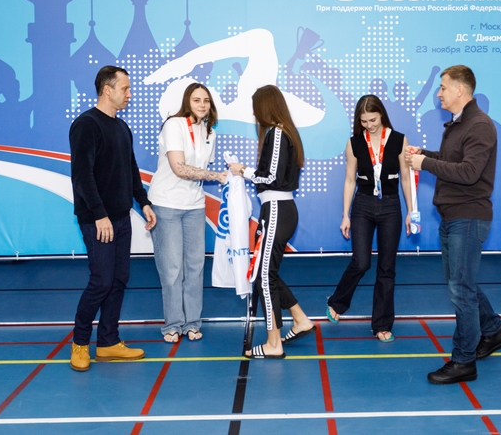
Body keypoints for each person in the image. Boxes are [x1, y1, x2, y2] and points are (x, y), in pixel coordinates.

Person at [405, 64, 501, 385]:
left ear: (460, 90)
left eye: (443, 87)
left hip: (468, 216)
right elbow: (452, 161)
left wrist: (425, 163)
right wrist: (425, 154)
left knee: (460, 289)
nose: (438, 94)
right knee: (462, 282)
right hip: (454, 215)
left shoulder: (479, 126)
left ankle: (464, 361)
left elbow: (468, 172)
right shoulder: (459, 124)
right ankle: (493, 331)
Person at [68, 65, 157, 372]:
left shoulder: (121, 128)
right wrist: (100, 215)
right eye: (125, 89)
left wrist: (143, 202)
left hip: (120, 217)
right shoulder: (86, 125)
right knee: (101, 281)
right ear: (107, 90)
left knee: (119, 279)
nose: (129, 94)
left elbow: (130, 170)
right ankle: (80, 343)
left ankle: (108, 342)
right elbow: (83, 176)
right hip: (98, 221)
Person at [228, 85, 314, 359]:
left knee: (263, 276)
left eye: (256, 109)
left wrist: (243, 170)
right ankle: (300, 319)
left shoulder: (277, 133)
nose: (255, 115)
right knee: (267, 273)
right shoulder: (284, 132)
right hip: (276, 209)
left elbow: (271, 178)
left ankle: (274, 343)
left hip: (277, 208)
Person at [326, 95, 412, 342]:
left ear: (381, 115)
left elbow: (406, 178)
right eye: (364, 121)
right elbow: (349, 180)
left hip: (391, 206)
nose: (369, 125)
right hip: (362, 205)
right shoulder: (354, 143)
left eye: (373, 120)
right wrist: (345, 215)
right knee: (361, 262)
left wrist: (411, 212)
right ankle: (337, 302)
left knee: (387, 268)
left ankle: (382, 325)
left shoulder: (399, 140)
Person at [148, 83, 227, 344]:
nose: (202, 105)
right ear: (187, 102)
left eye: (206, 100)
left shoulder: (209, 131)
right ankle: (172, 324)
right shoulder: (174, 125)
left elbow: (197, 169)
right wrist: (216, 176)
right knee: (172, 269)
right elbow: (180, 168)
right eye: (196, 100)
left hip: (194, 205)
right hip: (166, 203)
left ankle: (192, 323)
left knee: (195, 267)